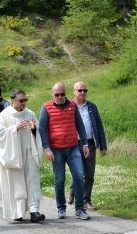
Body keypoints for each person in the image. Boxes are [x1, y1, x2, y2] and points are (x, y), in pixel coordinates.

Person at [38, 82, 91, 220]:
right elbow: (42, 129)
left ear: (66, 93)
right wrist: (47, 148)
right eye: (57, 94)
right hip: (56, 150)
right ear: (52, 94)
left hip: (73, 148)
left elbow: (80, 125)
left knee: (79, 177)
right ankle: (61, 208)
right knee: (59, 180)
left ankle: (79, 209)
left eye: (62, 94)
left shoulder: (72, 106)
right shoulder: (46, 107)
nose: (60, 97)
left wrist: (85, 144)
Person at [0, 89, 45, 223]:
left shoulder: (30, 114)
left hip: (29, 154)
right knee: (17, 184)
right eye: (21, 100)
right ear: (13, 100)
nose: (24, 103)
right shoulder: (4, 116)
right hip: (13, 156)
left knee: (31, 182)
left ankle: (35, 212)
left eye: (25, 100)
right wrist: (15, 129)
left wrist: (34, 129)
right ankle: (18, 212)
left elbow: (37, 133)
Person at [67, 82, 107, 211]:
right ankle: (72, 191)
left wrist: (103, 145)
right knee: (77, 171)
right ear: (74, 91)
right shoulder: (69, 106)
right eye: (80, 90)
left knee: (89, 173)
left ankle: (86, 200)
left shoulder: (91, 107)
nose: (82, 93)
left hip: (90, 143)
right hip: (74, 143)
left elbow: (99, 126)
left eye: (85, 90)